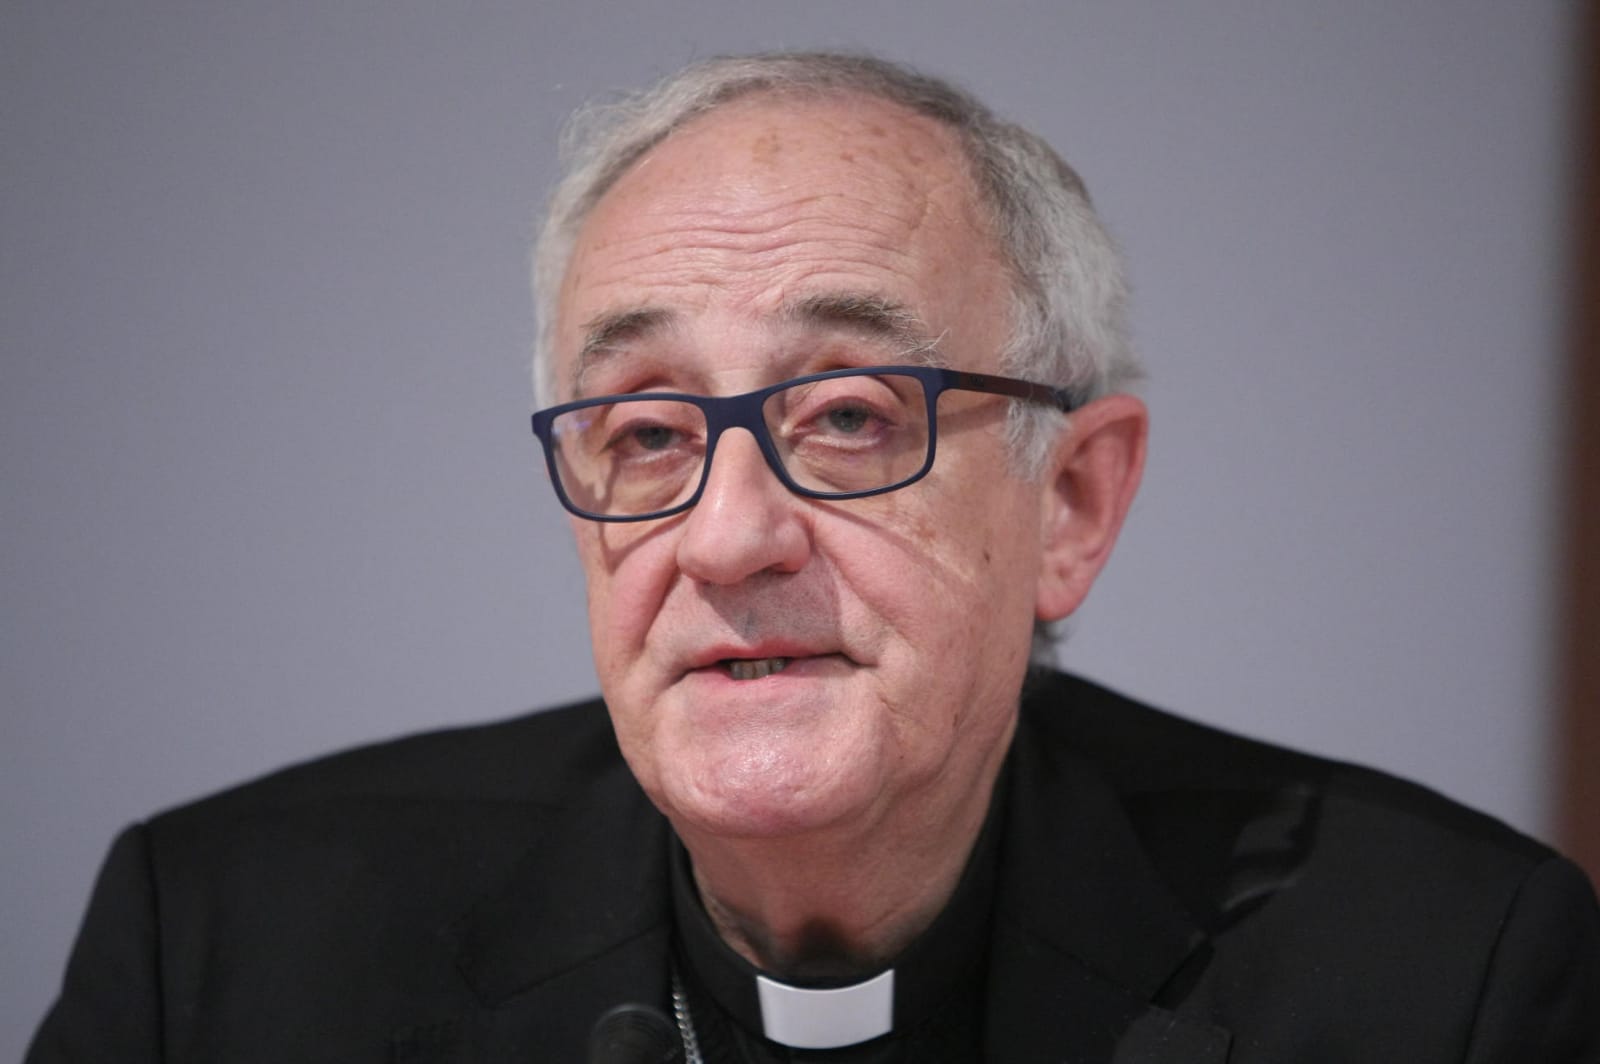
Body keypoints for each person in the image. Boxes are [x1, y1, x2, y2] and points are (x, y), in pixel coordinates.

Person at [28, 51, 1600, 1064]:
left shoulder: (1447, 978)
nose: (727, 535)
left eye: (850, 416)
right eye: (647, 431)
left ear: (1071, 504)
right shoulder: (224, 954)